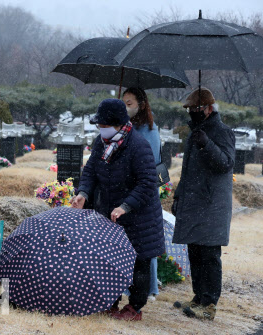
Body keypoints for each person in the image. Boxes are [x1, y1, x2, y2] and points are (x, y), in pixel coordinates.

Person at [71, 98, 165, 321]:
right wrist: (83, 193)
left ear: (118, 124)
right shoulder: (101, 143)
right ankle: (109, 302)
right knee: (108, 259)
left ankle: (135, 307)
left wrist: (126, 206)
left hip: (139, 215)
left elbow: (147, 182)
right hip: (110, 212)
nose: (101, 130)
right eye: (100, 126)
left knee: (138, 262)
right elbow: (90, 171)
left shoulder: (138, 145)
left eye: (105, 126)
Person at [171, 88, 235, 321]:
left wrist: (206, 144)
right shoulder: (195, 131)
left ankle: (209, 304)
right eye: (189, 110)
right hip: (193, 200)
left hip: (211, 203)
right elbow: (187, 170)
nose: (192, 113)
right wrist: (178, 195)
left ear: (208, 108)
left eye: (195, 109)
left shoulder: (222, 131)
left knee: (209, 254)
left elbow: (226, 163)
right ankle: (198, 297)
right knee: (194, 250)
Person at [122, 87, 162, 301]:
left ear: (141, 105)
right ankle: (126, 284)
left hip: (142, 191)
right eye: (123, 103)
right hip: (125, 191)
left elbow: (152, 164)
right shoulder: (123, 127)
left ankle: (149, 287)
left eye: (130, 104)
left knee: (145, 243)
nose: (126, 107)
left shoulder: (150, 130)